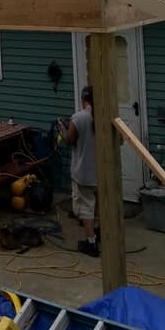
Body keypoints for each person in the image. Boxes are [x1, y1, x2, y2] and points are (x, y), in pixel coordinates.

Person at [57, 86, 99, 257]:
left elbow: (69, 140)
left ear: (83, 99)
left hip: (84, 172)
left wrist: (62, 128)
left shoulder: (79, 118)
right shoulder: (103, 116)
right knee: (100, 204)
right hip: (101, 171)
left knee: (86, 208)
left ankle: (91, 243)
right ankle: (100, 233)